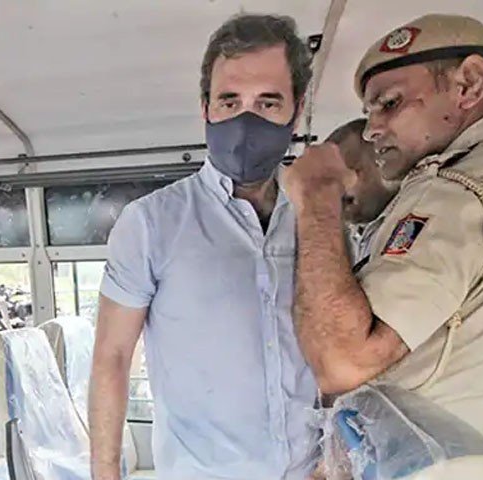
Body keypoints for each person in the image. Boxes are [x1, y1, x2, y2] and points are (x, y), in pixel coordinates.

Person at [282, 13, 483, 480]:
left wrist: (316, 197)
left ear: (468, 84)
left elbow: (342, 362)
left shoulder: (455, 189)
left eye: (389, 104)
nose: (372, 129)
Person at [89, 14, 319, 480]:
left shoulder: (319, 221)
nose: (246, 121)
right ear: (205, 109)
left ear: (296, 112)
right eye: (229, 101)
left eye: (268, 102)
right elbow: (112, 358)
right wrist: (105, 473)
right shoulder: (151, 224)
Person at [325, 118, 399, 264]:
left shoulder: (410, 226)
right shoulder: (362, 235)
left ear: (381, 164)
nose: (337, 190)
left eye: (348, 174)